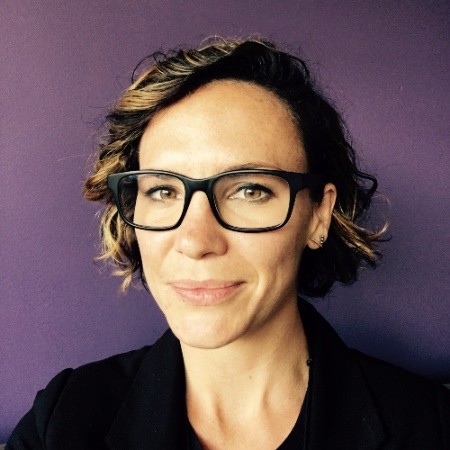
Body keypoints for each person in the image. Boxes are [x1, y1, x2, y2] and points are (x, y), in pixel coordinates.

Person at [7, 37, 450, 449]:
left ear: (319, 214)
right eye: (163, 190)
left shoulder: (431, 428)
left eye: (249, 190)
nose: (195, 241)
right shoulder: (61, 423)